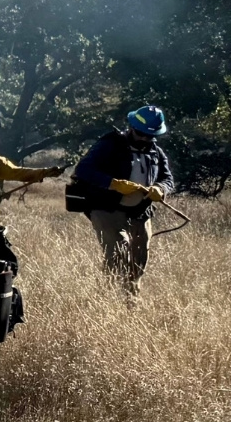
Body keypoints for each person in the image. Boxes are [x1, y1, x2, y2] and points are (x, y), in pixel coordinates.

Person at [73, 106, 174, 290]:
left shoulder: (156, 152)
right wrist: (113, 183)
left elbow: (167, 179)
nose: (145, 139)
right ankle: (109, 295)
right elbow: (83, 170)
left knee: (140, 256)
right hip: (106, 206)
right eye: (141, 133)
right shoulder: (109, 144)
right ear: (131, 127)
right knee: (119, 249)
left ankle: (131, 297)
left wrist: (160, 188)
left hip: (140, 210)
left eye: (150, 136)